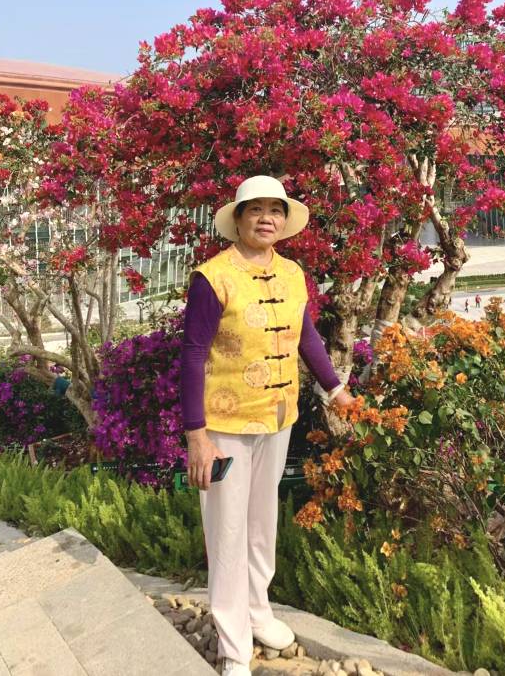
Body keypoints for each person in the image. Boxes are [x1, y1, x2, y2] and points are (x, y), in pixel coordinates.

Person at [180, 176, 355, 676]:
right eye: (254, 209)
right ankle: (233, 644)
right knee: (227, 532)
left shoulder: (293, 273)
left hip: (277, 418)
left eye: (274, 210)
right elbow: (192, 354)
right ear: (237, 219)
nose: (265, 218)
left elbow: (307, 337)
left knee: (261, 524)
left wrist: (335, 389)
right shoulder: (213, 277)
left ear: (284, 220)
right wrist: (197, 435)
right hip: (225, 425)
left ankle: (258, 611)